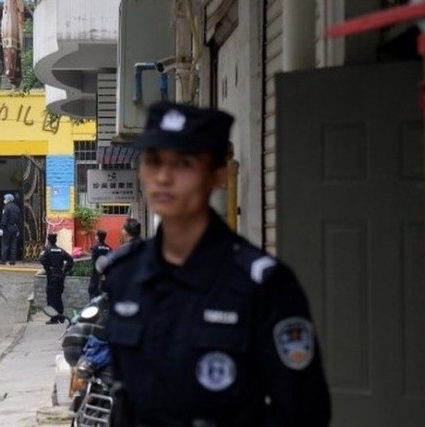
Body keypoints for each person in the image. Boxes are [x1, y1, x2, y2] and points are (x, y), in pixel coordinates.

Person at [103, 102, 331, 426]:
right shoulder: (124, 276)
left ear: (218, 176)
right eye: (154, 161)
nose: (163, 177)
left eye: (183, 164)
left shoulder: (263, 285)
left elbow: (304, 413)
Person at [39, 233, 73, 324]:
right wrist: (64, 270)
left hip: (52, 278)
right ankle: (61, 317)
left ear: (48, 240)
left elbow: (41, 259)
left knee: (51, 299)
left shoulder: (47, 250)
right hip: (60, 277)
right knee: (58, 297)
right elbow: (70, 260)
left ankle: (54, 319)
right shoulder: (61, 250)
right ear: (55, 240)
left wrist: (48, 268)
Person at [88, 230, 113, 299]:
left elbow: (93, 262)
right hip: (106, 276)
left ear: (97, 237)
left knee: (93, 295)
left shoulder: (95, 248)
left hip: (95, 276)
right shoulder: (109, 249)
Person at [0, 193, 22, 265]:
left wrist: (1, 228)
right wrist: (18, 229)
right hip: (15, 227)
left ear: (8, 199)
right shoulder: (17, 208)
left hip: (7, 227)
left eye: (5, 199)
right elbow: (19, 220)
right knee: (13, 245)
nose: (4, 200)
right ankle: (12, 261)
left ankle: (3, 261)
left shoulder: (6, 207)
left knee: (5, 245)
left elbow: (4, 218)